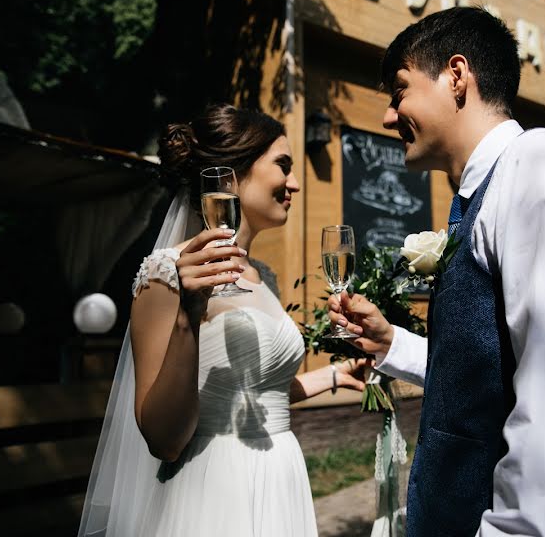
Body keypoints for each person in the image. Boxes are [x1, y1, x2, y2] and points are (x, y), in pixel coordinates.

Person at [329, 6, 545, 536]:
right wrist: (391, 345)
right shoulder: (479, 196)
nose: (386, 115)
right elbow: (491, 371)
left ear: (456, 75)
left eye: (398, 90)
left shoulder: (544, 164)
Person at [78, 104, 368, 536]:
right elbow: (163, 438)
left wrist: (336, 375)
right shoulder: (168, 272)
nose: (295, 183)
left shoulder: (261, 274)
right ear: (231, 176)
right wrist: (187, 316)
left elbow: (252, 394)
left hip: (280, 478)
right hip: (215, 489)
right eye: (282, 166)